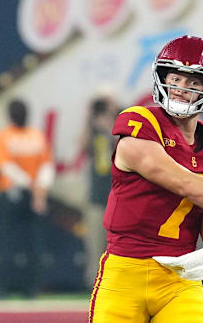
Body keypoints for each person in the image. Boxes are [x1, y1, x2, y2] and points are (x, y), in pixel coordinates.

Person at [88, 35, 203, 323]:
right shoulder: (139, 124)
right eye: (175, 79)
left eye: (193, 83)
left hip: (180, 277)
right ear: (161, 79)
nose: (181, 89)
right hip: (124, 274)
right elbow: (182, 182)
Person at [0, 98, 55, 298]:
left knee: (29, 243)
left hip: (24, 194)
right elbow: (7, 166)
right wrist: (37, 189)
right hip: (21, 192)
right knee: (9, 243)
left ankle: (30, 288)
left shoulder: (25, 136)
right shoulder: (19, 136)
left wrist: (38, 191)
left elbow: (45, 166)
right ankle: (4, 288)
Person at [80, 93, 118, 288]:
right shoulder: (92, 129)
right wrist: (90, 120)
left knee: (117, 245)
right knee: (94, 243)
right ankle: (93, 283)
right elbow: (81, 146)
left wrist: (109, 125)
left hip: (117, 197)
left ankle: (115, 284)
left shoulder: (120, 128)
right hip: (96, 195)